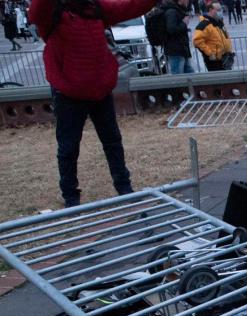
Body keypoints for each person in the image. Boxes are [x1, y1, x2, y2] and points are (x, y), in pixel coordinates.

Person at [27, 0, 154, 207]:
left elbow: (129, 7)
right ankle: (70, 196)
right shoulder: (52, 12)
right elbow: (36, 12)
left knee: (112, 141)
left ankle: (124, 187)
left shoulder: (93, 7)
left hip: (99, 88)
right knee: (69, 147)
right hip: (69, 91)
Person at [193, 2, 233, 70]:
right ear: (211, 10)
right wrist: (210, 54)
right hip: (214, 61)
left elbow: (226, 36)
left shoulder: (219, 22)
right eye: (218, 10)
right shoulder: (204, 24)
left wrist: (230, 50)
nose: (220, 12)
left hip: (225, 58)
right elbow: (197, 41)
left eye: (221, 9)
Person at [163, 0, 193, 73]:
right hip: (176, 51)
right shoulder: (172, 11)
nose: (188, 1)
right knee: (178, 75)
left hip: (182, 49)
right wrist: (184, 23)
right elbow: (171, 29)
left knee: (190, 74)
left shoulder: (178, 10)